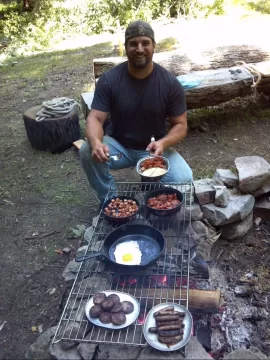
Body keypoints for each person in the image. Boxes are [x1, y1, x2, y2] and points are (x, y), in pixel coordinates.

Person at [80, 20, 193, 205]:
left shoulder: (170, 83)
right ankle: (109, 201)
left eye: (145, 43)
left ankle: (151, 187)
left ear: (154, 46)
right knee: (86, 150)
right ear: (125, 47)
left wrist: (163, 142)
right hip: (118, 148)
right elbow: (95, 118)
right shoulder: (109, 80)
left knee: (183, 178)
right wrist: (95, 143)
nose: (139, 49)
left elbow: (181, 125)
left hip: (153, 150)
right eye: (133, 43)